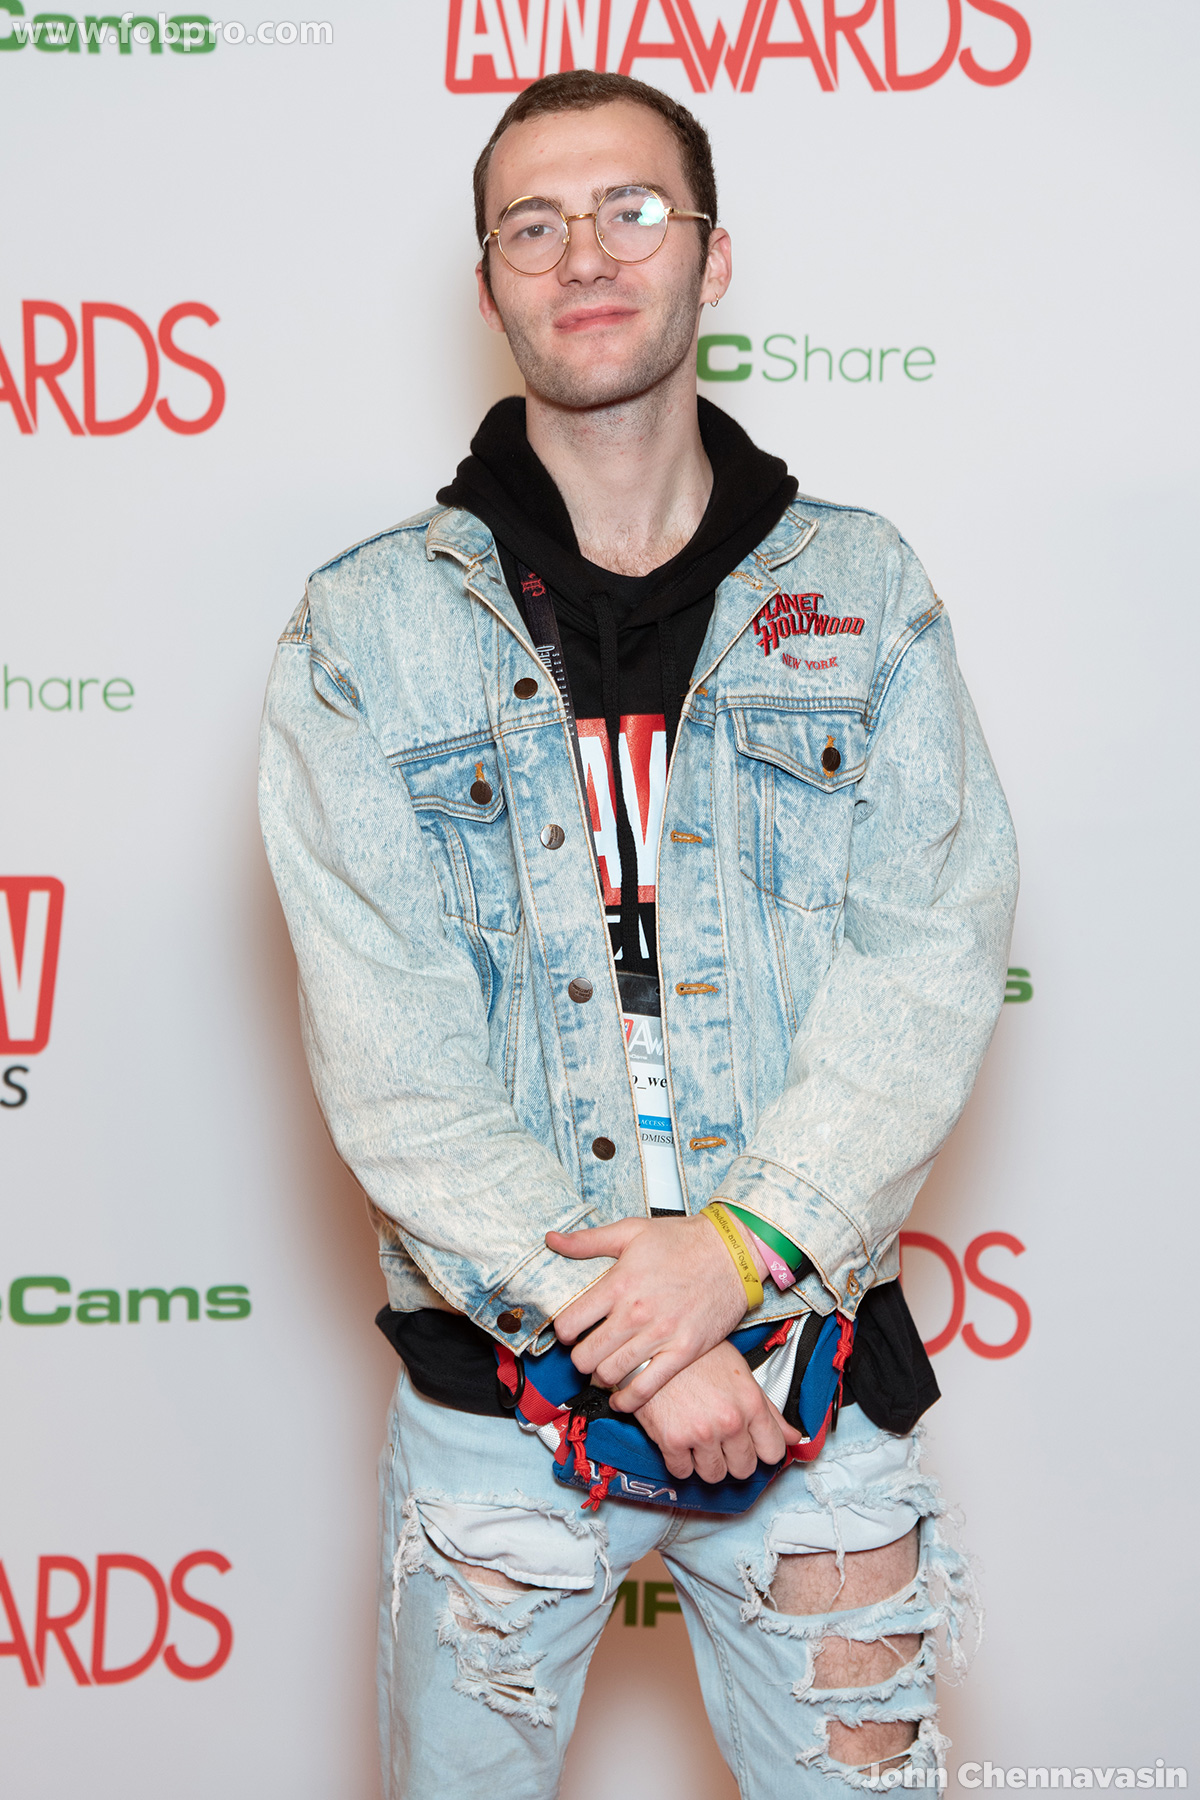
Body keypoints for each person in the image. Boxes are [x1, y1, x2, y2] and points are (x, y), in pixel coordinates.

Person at [259, 69, 1017, 1800]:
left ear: (711, 255)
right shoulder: (363, 628)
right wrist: (637, 1332)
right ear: (488, 287)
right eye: (532, 226)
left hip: (808, 1378)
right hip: (500, 1409)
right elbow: (393, 1060)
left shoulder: (864, 593)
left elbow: (928, 958)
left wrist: (739, 1255)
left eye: (629, 210)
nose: (584, 254)